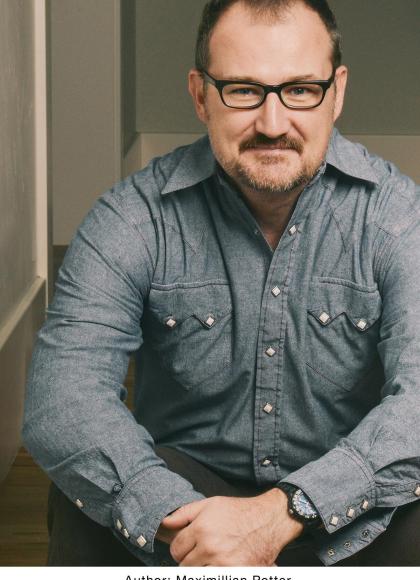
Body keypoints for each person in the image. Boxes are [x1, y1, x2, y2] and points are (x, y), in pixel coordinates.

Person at [23, 0, 420, 567]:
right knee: (82, 498)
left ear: (336, 93)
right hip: (186, 512)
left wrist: (284, 512)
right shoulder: (132, 217)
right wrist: (185, 521)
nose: (273, 123)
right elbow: (63, 399)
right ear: (200, 95)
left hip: (346, 511)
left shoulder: (398, 218)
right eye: (243, 90)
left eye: (300, 90)